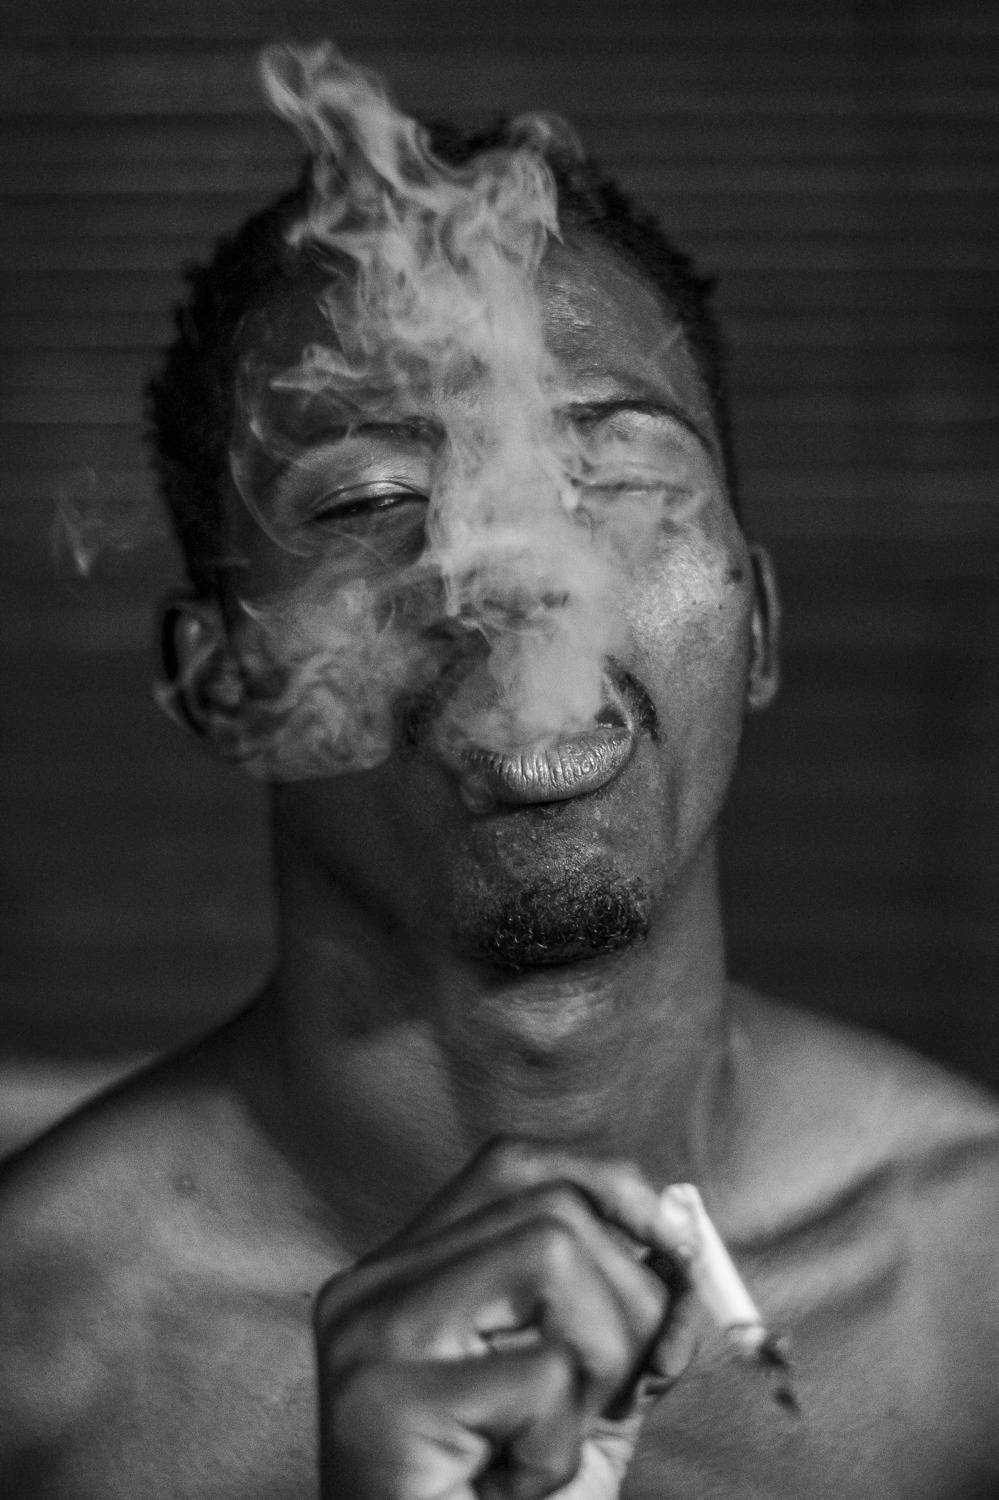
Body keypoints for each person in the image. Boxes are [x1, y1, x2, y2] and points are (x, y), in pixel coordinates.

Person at [1, 43, 997, 1500]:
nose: (521, 581)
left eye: (616, 475)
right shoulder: (38, 1368)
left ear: (759, 625)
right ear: (225, 680)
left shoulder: (972, 1293)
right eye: (375, 497)